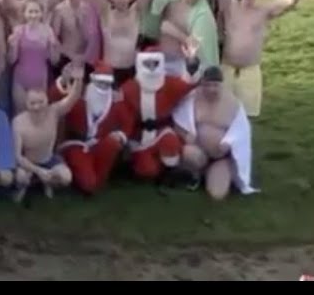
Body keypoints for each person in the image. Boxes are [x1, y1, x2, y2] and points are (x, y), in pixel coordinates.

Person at [209, 0, 301, 117]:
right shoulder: (230, 6)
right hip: (227, 68)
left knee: (245, 117)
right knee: (221, 113)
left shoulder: (263, 11)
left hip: (250, 71)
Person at [172, 66, 258, 199]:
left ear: (221, 85)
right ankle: (196, 174)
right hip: (198, 152)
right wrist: (185, 135)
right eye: (207, 85)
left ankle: (214, 173)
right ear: (202, 84)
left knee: (217, 194)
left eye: (215, 85)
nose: (211, 89)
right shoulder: (192, 98)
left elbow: (242, 130)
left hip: (220, 157)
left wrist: (229, 142)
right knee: (188, 152)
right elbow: (178, 120)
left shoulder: (232, 103)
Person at [117, 50, 197, 182]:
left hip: (161, 132)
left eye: (155, 64)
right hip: (138, 137)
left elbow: (186, 85)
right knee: (147, 170)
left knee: (170, 142)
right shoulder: (129, 88)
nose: (151, 68)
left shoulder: (168, 84)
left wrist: (193, 68)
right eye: (147, 64)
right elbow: (123, 114)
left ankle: (171, 171)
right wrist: (125, 136)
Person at [54, 63, 129, 195]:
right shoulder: (79, 92)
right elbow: (54, 99)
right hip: (76, 144)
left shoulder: (115, 99)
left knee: (112, 144)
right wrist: (64, 81)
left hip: (99, 143)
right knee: (87, 183)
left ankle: (99, 181)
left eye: (107, 83)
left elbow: (127, 121)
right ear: (93, 79)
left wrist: (120, 134)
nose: (103, 86)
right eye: (100, 82)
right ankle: (87, 182)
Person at [11, 64, 84, 201]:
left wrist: (78, 79)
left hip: (49, 159)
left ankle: (47, 182)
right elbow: (17, 156)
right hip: (28, 162)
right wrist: (39, 171)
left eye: (41, 102)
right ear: (26, 103)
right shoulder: (18, 122)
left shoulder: (53, 112)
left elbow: (73, 98)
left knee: (66, 178)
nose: (37, 107)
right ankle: (24, 186)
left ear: (47, 100)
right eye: (33, 103)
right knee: (21, 178)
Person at [95, 0, 140, 88]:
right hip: (109, 69)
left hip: (131, 69)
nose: (122, 0)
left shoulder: (135, 12)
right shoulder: (106, 13)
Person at [8, 0, 60, 112]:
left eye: (36, 11)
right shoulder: (18, 30)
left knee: (38, 114)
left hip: (40, 79)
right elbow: (11, 60)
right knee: (20, 114)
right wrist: (12, 46)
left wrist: (54, 46)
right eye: (30, 12)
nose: (33, 15)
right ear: (24, 13)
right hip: (20, 79)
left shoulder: (48, 31)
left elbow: (54, 60)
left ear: (41, 13)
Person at [52, 0, 102, 79]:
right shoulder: (60, 10)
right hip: (67, 57)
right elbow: (54, 38)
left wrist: (85, 57)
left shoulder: (88, 9)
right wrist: (71, 55)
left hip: (85, 58)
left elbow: (92, 37)